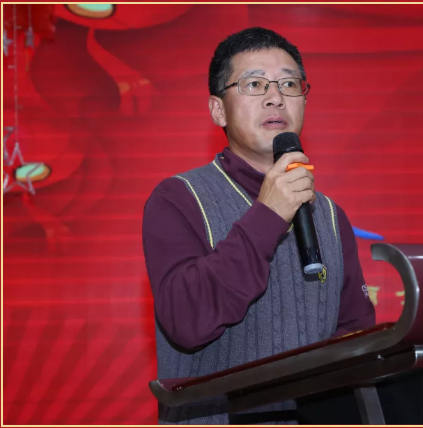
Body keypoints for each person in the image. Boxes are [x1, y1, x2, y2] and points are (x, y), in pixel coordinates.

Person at [142, 27, 375, 425]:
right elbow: (186, 321)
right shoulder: (178, 199)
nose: (275, 97)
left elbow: (356, 342)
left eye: (289, 84)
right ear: (218, 110)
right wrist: (268, 215)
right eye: (254, 84)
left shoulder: (331, 216)